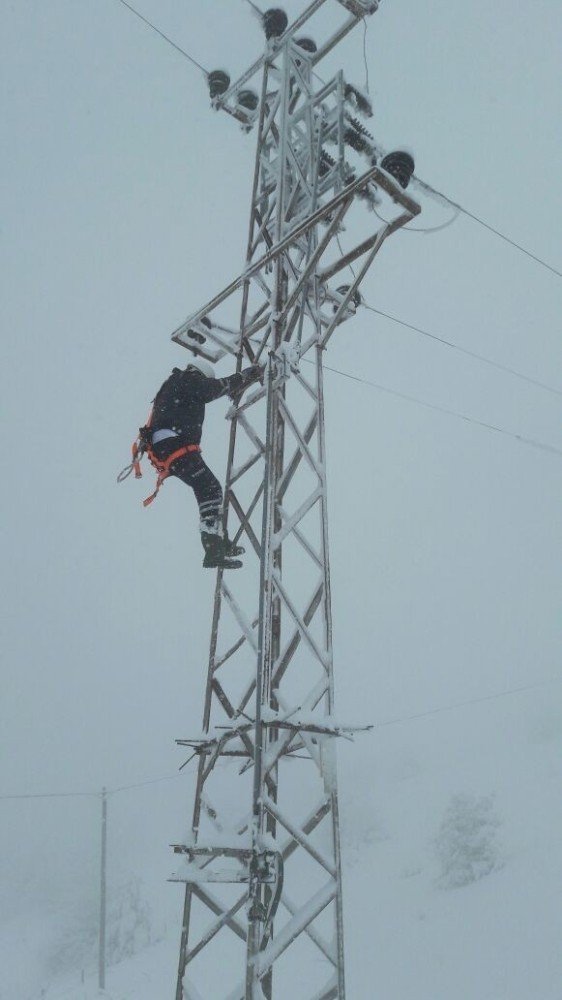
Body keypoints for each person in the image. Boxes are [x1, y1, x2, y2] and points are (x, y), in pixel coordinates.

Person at [147, 356, 263, 569]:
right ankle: (212, 546)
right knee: (209, 488)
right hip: (174, 444)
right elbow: (212, 389)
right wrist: (242, 377)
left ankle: (218, 542)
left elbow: (210, 390)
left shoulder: (176, 384)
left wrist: (235, 385)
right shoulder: (186, 380)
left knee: (209, 488)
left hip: (171, 446)